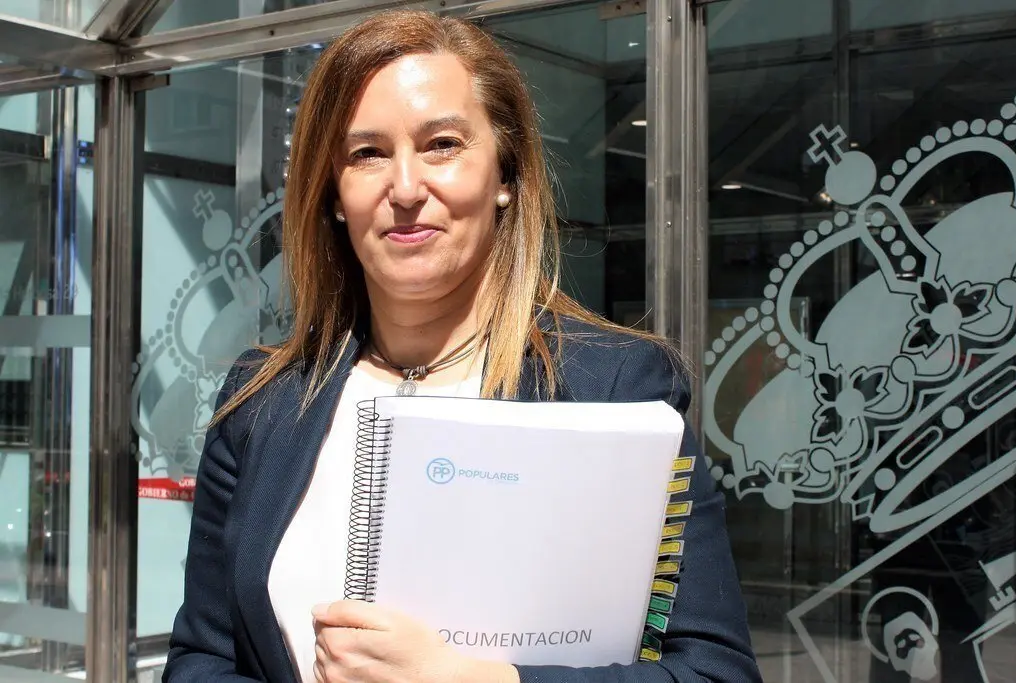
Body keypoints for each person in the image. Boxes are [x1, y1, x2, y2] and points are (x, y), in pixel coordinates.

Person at [162, 9, 761, 683]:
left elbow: (713, 671)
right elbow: (202, 661)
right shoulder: (263, 403)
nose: (405, 188)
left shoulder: (615, 389)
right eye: (367, 153)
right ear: (333, 193)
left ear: (505, 174)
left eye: (442, 144)